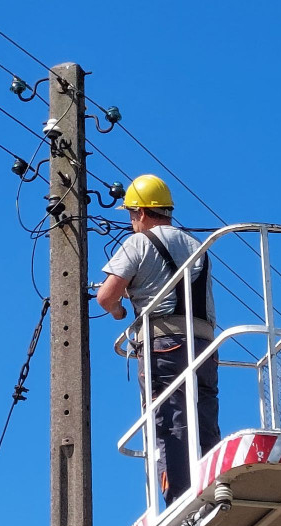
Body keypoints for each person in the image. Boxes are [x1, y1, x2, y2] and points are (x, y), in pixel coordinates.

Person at [96, 174, 220, 506]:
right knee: (204, 417)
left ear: (140, 212)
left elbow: (107, 297)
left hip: (165, 345)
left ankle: (179, 502)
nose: (131, 221)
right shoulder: (198, 246)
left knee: (171, 421)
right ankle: (214, 486)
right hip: (204, 343)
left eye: (131, 215)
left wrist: (121, 313)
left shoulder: (139, 243)